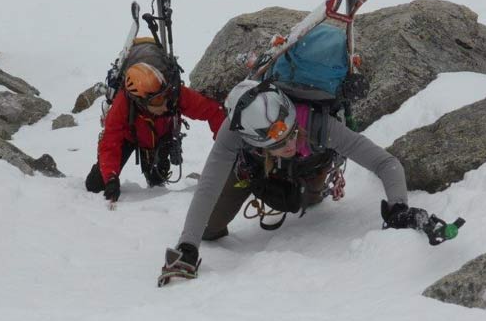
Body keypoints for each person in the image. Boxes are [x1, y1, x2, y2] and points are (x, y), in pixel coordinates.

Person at [164, 78, 433, 274]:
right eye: (279, 143)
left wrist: (398, 207)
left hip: (307, 174)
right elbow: (208, 186)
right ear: (255, 143)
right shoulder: (234, 130)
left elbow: (386, 163)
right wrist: (188, 246)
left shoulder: (319, 126)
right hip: (255, 172)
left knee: (301, 201)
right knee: (209, 229)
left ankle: (303, 190)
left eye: (292, 133)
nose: (290, 143)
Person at [85, 62, 226, 203]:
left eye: (164, 95)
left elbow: (213, 111)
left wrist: (228, 148)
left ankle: (155, 175)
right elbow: (110, 142)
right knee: (95, 184)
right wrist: (111, 177)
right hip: (129, 137)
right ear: (141, 101)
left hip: (161, 137)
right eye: (157, 100)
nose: (165, 104)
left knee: (157, 182)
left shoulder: (175, 94)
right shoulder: (122, 105)